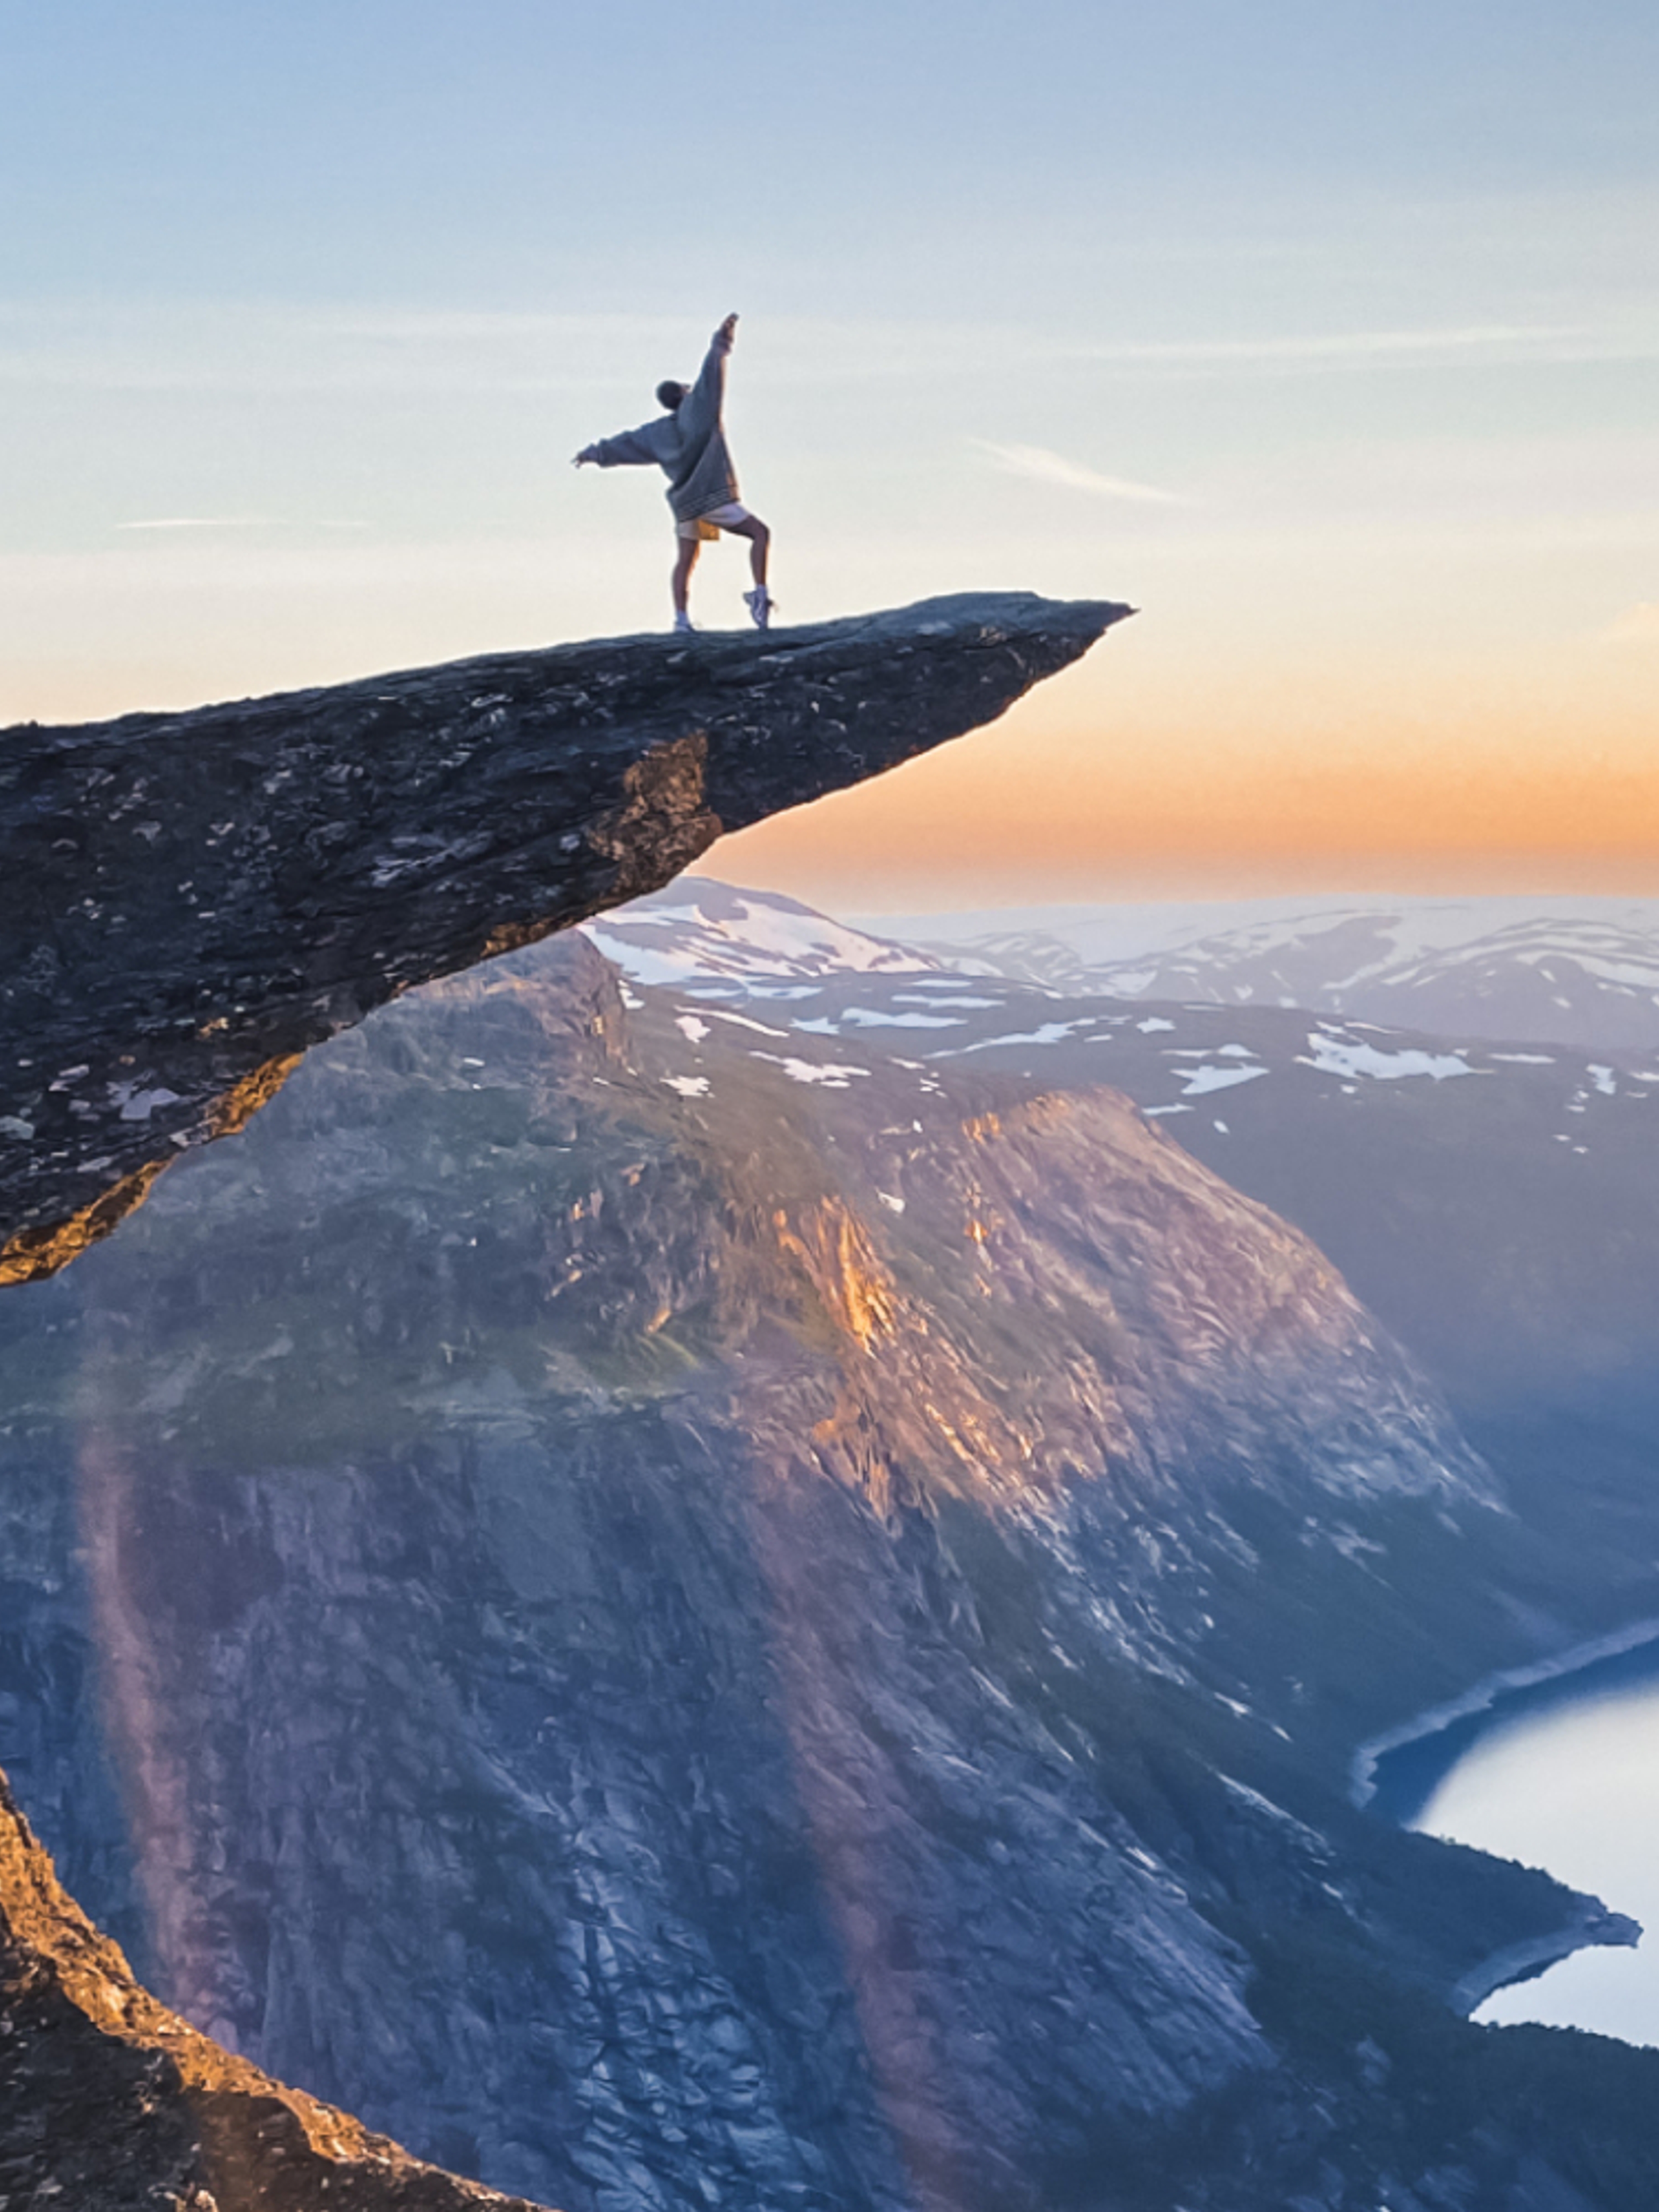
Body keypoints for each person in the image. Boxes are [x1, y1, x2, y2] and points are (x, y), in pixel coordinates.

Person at [573, 312, 773, 633]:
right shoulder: (700, 410)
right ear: (683, 395)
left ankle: (681, 620)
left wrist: (594, 453)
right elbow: (712, 375)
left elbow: (625, 444)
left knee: (688, 559)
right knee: (760, 534)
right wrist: (722, 341)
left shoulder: (656, 433)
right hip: (712, 497)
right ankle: (760, 597)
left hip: (686, 504)